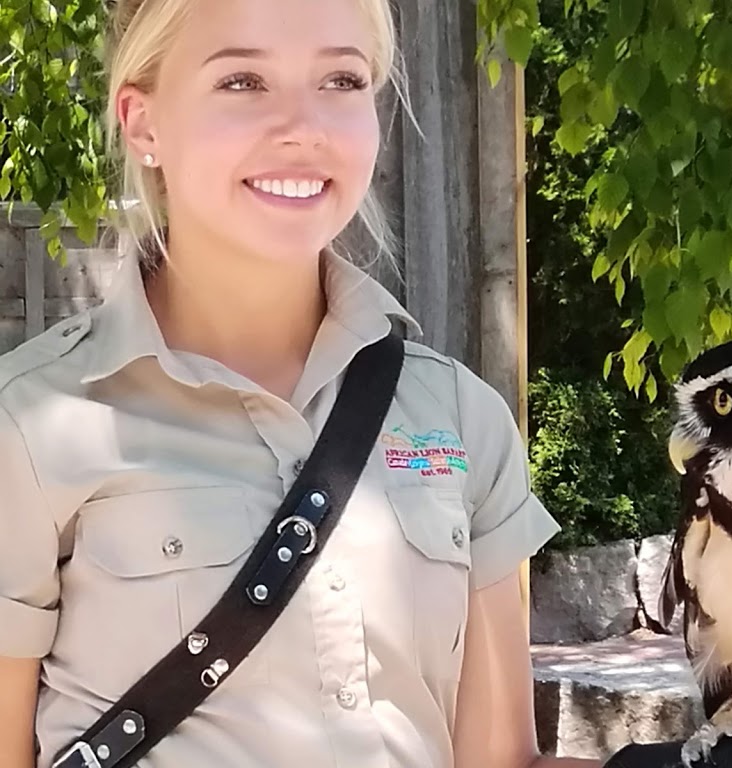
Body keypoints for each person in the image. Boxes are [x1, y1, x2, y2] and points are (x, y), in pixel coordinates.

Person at [0, 0, 602, 766]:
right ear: (143, 123)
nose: (302, 127)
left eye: (342, 79)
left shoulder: (459, 418)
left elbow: (497, 759)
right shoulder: (28, 425)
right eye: (243, 80)